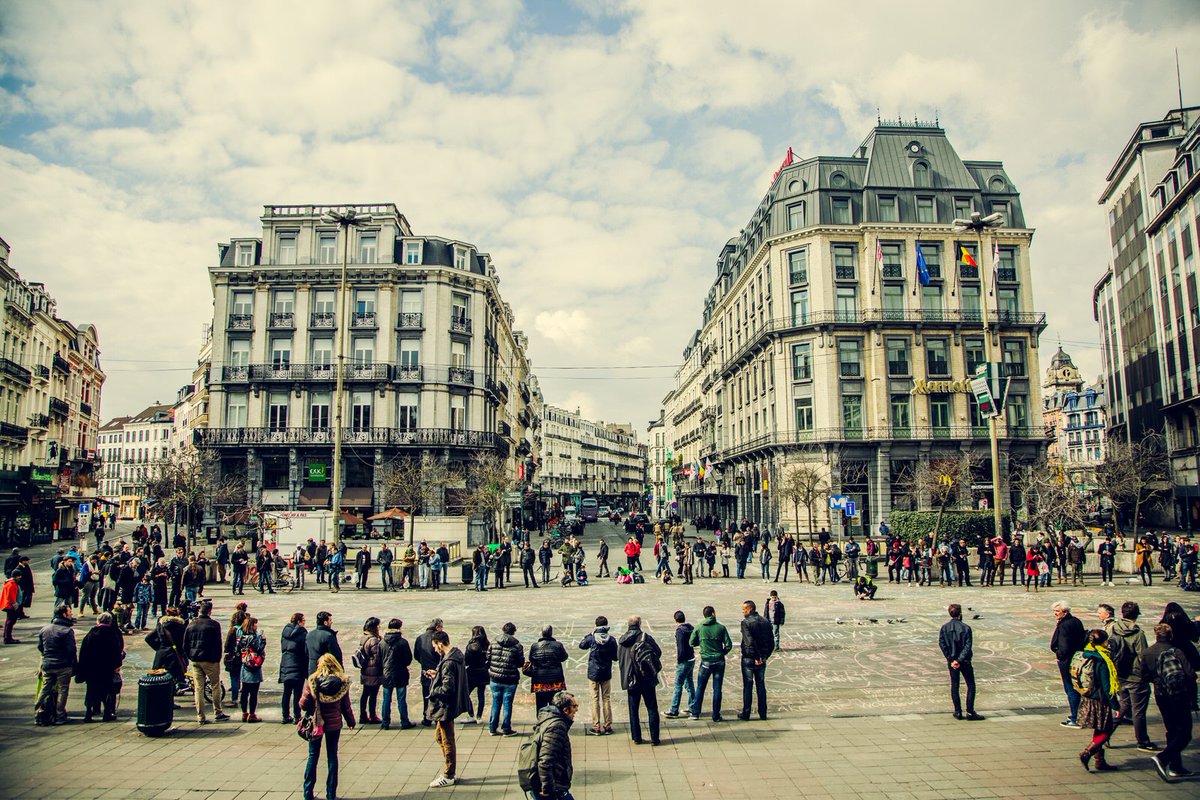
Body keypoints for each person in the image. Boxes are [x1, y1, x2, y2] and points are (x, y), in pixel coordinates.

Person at [1136, 622, 1197, 781]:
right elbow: (1190, 674)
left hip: (1161, 695)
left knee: (1171, 729)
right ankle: (1164, 757)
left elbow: (1144, 676)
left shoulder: (1147, 652)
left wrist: (1158, 680)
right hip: (1179, 696)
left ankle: (1176, 766)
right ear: (1171, 635)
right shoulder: (1176, 651)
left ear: (1156, 635)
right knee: (1184, 732)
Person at [299, 653, 356, 800]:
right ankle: (331, 794)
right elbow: (346, 706)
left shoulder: (313, 682)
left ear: (320, 666)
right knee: (332, 756)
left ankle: (308, 793)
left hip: (316, 724)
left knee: (313, 756)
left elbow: (303, 705)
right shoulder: (342, 683)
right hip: (334, 724)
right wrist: (351, 721)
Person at [1104, 601, 1155, 752]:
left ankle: (1106, 734)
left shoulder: (1115, 628)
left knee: (1124, 706)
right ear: (1136, 615)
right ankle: (1142, 741)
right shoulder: (1138, 633)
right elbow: (1142, 655)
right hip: (1135, 677)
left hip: (1120, 674)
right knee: (1138, 711)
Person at [426, 630, 468, 788]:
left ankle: (449, 774)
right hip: (449, 706)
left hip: (445, 707)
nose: (435, 650)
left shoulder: (449, 662)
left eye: (435, 647)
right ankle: (449, 766)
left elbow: (447, 688)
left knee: (447, 739)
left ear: (440, 643)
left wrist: (433, 690)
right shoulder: (455, 656)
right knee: (439, 737)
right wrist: (436, 675)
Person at [1074, 629, 1121, 772]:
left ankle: (1100, 761)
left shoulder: (1084, 654)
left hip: (1087, 697)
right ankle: (1087, 752)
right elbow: (1107, 687)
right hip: (1099, 699)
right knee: (1106, 730)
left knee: (1099, 728)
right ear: (1104, 642)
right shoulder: (1102, 659)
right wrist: (1116, 706)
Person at [617, 614, 662, 745]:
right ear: (640, 624)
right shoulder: (645, 638)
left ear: (628, 625)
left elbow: (618, 657)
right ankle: (655, 738)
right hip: (647, 678)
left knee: (633, 709)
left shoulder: (622, 640)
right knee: (652, 708)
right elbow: (658, 652)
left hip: (631, 679)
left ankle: (637, 737)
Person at [528, 690, 578, 800]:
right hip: (554, 786)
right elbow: (545, 760)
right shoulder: (557, 727)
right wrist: (547, 789)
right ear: (565, 710)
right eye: (574, 706)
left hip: (552, 782)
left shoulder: (548, 718)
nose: (576, 709)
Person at [183, 600, 227, 723]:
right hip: (210, 659)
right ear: (209, 611)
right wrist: (218, 658)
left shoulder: (191, 624)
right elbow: (218, 644)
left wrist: (191, 656)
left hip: (195, 659)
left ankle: (200, 716)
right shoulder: (214, 625)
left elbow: (185, 644)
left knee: (198, 688)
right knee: (215, 685)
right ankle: (218, 712)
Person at [76, 611, 124, 722]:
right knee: (107, 690)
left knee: (91, 690)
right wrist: (117, 665)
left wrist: (82, 668)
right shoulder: (113, 634)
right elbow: (117, 651)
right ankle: (107, 713)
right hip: (107, 668)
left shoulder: (91, 634)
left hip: (92, 668)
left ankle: (88, 713)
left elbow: (83, 652)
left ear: (98, 621)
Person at [938, 604, 983, 720]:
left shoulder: (945, 627)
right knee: (971, 685)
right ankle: (970, 711)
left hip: (952, 661)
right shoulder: (966, 628)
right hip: (965, 661)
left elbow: (942, 644)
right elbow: (968, 645)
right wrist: (960, 659)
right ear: (960, 613)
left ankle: (957, 711)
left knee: (955, 685)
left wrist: (951, 659)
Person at [689, 605, 733, 721]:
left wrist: (702, 644)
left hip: (706, 661)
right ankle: (716, 715)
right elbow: (729, 645)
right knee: (717, 688)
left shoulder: (699, 627)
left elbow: (691, 642)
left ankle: (695, 713)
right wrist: (722, 653)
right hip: (719, 660)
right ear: (713, 613)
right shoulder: (720, 627)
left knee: (700, 687)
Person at [35, 604, 77, 725]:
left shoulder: (45, 629)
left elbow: (40, 647)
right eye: (69, 611)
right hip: (63, 665)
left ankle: (38, 710)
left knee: (45, 688)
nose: (71, 614)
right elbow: (71, 650)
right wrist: (73, 665)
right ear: (64, 614)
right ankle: (60, 715)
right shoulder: (67, 631)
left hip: (48, 664)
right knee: (63, 690)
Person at [578, 615, 617, 735]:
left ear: (596, 625)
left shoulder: (592, 638)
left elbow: (582, 645)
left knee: (595, 699)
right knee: (606, 698)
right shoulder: (611, 639)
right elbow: (616, 657)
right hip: (606, 672)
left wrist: (590, 633)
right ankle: (607, 725)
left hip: (594, 673)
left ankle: (596, 726)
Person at [1051, 601, 1087, 728]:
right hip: (1077, 659)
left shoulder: (1064, 625)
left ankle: (1075, 717)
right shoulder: (1076, 621)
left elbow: (1064, 646)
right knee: (1075, 687)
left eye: (1057, 611)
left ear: (1065, 612)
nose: (1055, 614)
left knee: (1071, 688)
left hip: (1068, 661)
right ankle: (1078, 714)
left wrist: (1060, 655)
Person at [486, 621, 524, 735]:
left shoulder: (493, 643)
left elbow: (487, 659)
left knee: (495, 702)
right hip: (510, 679)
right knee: (507, 703)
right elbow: (520, 663)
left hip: (495, 678)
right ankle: (506, 728)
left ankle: (492, 727)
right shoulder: (517, 645)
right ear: (513, 632)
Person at [738, 599, 773, 721]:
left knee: (748, 686)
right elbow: (771, 643)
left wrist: (757, 657)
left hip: (749, 658)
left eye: (744, 610)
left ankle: (746, 713)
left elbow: (749, 642)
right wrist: (764, 657)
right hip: (761, 659)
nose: (743, 612)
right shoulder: (766, 621)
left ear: (750, 609)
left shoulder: (746, 622)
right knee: (761, 685)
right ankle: (763, 713)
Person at [379, 618, 415, 730]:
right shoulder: (403, 642)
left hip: (386, 674)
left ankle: (385, 723)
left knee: (386, 699)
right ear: (399, 628)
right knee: (401, 699)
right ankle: (404, 721)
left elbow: (379, 659)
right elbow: (408, 659)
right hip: (400, 674)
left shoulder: (382, 642)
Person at [530, 624, 569, 712]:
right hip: (555, 680)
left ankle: (541, 722)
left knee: (540, 705)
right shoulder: (558, 645)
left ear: (542, 633)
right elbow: (564, 657)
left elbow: (531, 659)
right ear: (551, 633)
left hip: (539, 680)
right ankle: (554, 722)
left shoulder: (535, 646)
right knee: (555, 704)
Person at [664, 610, 695, 718]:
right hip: (691, 658)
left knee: (678, 685)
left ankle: (674, 710)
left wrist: (679, 660)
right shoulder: (690, 628)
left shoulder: (680, 631)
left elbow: (681, 647)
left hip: (684, 661)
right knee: (689, 683)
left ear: (675, 620)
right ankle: (693, 707)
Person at [414, 618, 444, 727]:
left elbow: (416, 655)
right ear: (437, 627)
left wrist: (424, 663)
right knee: (437, 696)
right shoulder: (438, 638)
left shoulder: (420, 638)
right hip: (436, 672)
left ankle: (426, 718)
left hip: (425, 671)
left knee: (426, 696)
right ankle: (437, 718)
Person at [279, 612, 308, 724]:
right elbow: (305, 651)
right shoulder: (302, 633)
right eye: (303, 621)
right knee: (297, 692)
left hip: (285, 664)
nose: (304, 623)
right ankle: (297, 716)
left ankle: (285, 716)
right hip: (297, 665)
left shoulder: (285, 631)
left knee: (286, 692)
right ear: (298, 622)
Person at [237, 616, 266, 722]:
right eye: (255, 624)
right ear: (252, 625)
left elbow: (237, 649)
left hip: (245, 665)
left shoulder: (241, 637)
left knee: (244, 691)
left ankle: (244, 713)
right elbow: (258, 650)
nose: (256, 626)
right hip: (254, 665)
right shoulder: (254, 637)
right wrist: (263, 640)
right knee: (253, 692)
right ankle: (252, 714)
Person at [355, 616, 383, 724]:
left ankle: (363, 715)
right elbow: (377, 658)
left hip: (365, 670)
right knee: (373, 694)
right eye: (378, 625)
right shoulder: (374, 640)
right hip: (374, 672)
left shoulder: (364, 638)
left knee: (365, 693)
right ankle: (372, 715)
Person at [464, 625, 490, 724]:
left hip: (472, 673)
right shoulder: (486, 644)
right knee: (481, 695)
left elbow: (466, 660)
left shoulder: (471, 646)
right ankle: (479, 717)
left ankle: (471, 715)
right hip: (483, 672)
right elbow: (489, 659)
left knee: (466, 693)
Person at [306, 610, 344, 675]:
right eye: (330, 620)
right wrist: (341, 670)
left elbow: (306, 653)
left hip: (312, 671)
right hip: (325, 670)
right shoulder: (328, 636)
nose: (331, 622)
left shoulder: (309, 635)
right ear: (325, 622)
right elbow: (336, 655)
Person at [2, 570, 22, 643]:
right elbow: (10, 596)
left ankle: (7, 636)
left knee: (9, 621)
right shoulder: (12, 584)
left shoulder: (9, 583)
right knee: (11, 621)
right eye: (19, 576)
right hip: (10, 606)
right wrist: (15, 604)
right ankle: (7, 638)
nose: (20, 577)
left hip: (8, 605)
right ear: (16, 576)